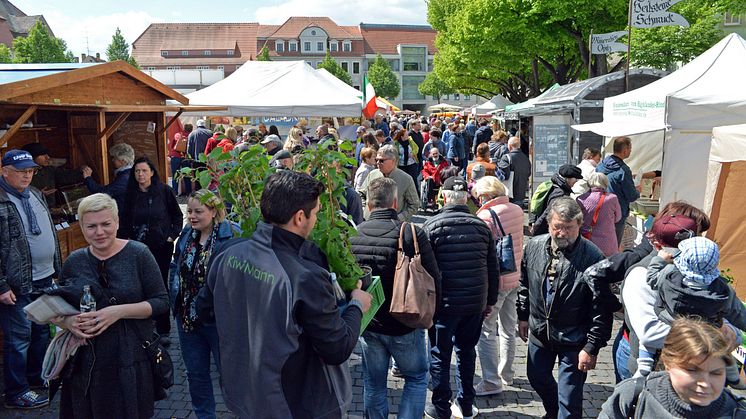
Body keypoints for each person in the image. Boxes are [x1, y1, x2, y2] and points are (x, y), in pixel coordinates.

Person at [199, 170, 372, 417]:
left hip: (244, 396)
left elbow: (204, 310)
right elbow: (337, 347)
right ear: (300, 217)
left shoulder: (228, 254)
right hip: (294, 405)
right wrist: (357, 304)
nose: (317, 218)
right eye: (317, 212)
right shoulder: (304, 276)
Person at [52, 193, 168, 418]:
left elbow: (161, 302)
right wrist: (68, 322)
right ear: (82, 228)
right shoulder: (74, 261)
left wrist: (118, 312)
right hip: (85, 364)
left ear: (117, 222)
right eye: (91, 226)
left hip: (129, 360)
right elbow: (58, 308)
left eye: (106, 224)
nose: (99, 232)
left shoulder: (139, 254)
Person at [351, 177, 441, 419]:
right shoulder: (411, 233)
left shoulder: (353, 235)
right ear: (394, 203)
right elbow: (433, 277)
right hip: (406, 322)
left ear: (368, 205)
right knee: (416, 377)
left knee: (373, 382)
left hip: (369, 323)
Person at [518, 197, 612, 419]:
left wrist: (591, 347)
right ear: (549, 224)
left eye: (568, 228)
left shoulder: (593, 257)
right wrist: (523, 316)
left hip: (574, 337)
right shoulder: (534, 246)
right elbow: (524, 284)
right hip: (540, 331)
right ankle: (553, 411)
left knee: (569, 399)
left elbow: (602, 307)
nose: (561, 233)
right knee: (537, 377)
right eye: (556, 227)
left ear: (579, 225)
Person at [423, 176, 499, 419]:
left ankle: (441, 406)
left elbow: (425, 270)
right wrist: (490, 300)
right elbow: (492, 267)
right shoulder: (481, 226)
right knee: (467, 351)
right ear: (467, 199)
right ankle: (466, 404)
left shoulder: (432, 226)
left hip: (444, 305)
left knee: (440, 354)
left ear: (444, 197)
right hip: (474, 302)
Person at [169, 190, 238, 419]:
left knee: (229, 375)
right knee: (195, 374)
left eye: (199, 211)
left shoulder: (231, 235)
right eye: (189, 211)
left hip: (218, 321)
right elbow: (175, 268)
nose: (192, 216)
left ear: (214, 211)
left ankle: (241, 412)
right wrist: (175, 301)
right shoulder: (187, 234)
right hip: (188, 319)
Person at [0, 149, 59, 409]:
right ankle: (16, 392)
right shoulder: (1, 201)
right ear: (4, 171)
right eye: (21, 171)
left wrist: (56, 268)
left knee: (41, 333)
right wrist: (1, 284)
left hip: (45, 277)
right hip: (17, 284)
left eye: (30, 171)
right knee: (18, 339)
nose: (27, 176)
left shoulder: (34, 194)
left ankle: (37, 379)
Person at [600, 317, 745, 419]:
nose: (705, 383)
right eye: (692, 370)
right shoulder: (633, 396)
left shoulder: (737, 413)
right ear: (668, 363)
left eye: (716, 373)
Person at [119, 157, 183, 344]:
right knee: (139, 285)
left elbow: (177, 216)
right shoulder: (130, 194)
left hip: (161, 247)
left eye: (144, 171)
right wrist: (126, 240)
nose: (140, 175)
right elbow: (124, 220)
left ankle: (163, 328)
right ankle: (144, 325)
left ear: (152, 172)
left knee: (160, 284)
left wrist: (171, 235)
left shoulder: (164, 191)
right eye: (137, 171)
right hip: (138, 247)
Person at [473, 176, 525, 396]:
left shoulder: (485, 216)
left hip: (497, 281)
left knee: (486, 331)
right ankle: (507, 373)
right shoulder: (517, 209)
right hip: (515, 275)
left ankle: (491, 381)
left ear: (485, 195)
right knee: (508, 328)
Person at [596, 136, 640, 245]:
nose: (630, 151)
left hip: (599, 208)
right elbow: (631, 196)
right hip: (617, 213)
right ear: (625, 150)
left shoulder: (601, 165)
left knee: (599, 243)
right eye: (630, 149)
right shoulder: (623, 170)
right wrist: (637, 190)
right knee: (614, 245)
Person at [361, 145, 420, 221]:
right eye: (377, 160)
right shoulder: (372, 174)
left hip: (392, 226)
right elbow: (361, 194)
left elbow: (414, 205)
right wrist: (364, 210)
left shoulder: (406, 179)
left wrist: (399, 218)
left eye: (381, 160)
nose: (378, 163)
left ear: (393, 161)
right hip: (369, 221)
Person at [22, 142, 84, 207]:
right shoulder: (21, 174)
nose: (47, 157)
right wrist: (38, 194)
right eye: (43, 155)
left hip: (51, 210)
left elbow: (67, 177)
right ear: (32, 157)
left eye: (47, 154)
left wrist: (83, 171)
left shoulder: (49, 170)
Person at [575, 172, 622, 256]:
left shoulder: (580, 199)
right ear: (605, 183)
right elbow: (618, 218)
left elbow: (577, 220)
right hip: (607, 241)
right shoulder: (612, 198)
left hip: (586, 240)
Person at [532, 164, 584, 236]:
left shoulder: (554, 185)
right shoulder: (560, 194)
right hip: (548, 231)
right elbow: (548, 213)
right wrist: (536, 230)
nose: (576, 182)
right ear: (568, 178)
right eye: (576, 179)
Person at [82, 143, 134, 213]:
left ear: (123, 161)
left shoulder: (125, 178)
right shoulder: (131, 172)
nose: (112, 160)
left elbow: (103, 193)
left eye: (114, 158)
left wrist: (88, 178)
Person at [497, 136, 531, 208]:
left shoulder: (506, 158)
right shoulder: (526, 158)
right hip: (521, 193)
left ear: (509, 146)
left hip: (509, 193)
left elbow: (505, 176)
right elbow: (528, 173)